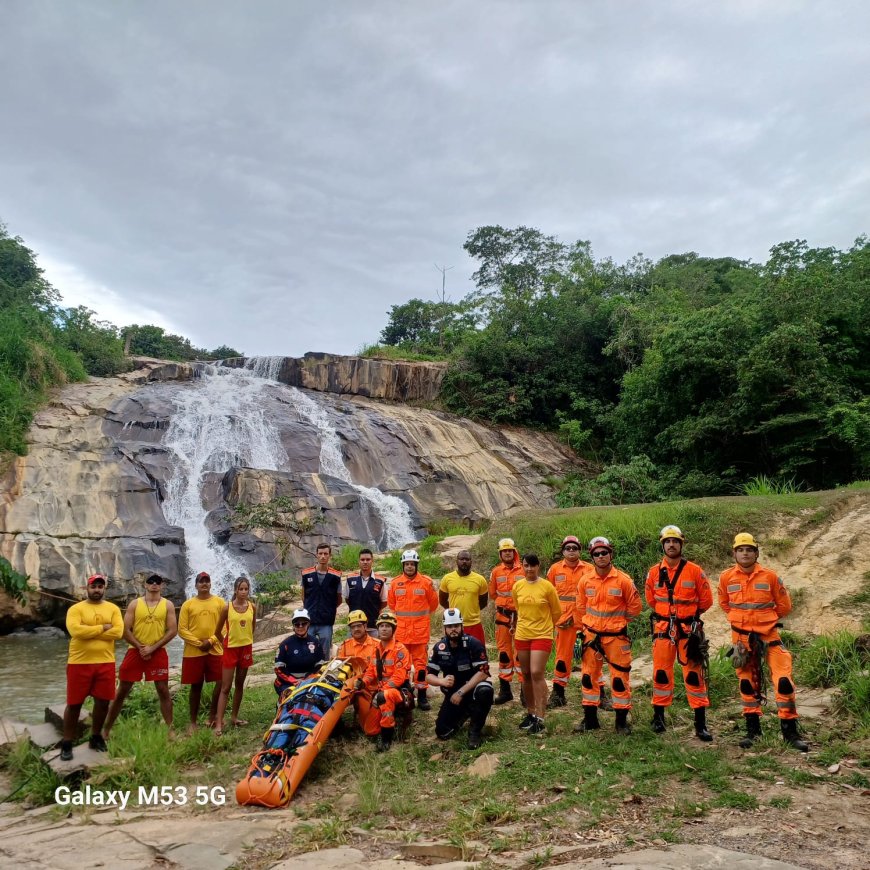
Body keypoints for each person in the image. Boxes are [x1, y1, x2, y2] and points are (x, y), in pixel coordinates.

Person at [718, 533, 808, 752]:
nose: (745, 553)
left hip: (769, 637)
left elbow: (784, 606)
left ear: (756, 553)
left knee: (784, 681)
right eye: (741, 549)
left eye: (749, 549)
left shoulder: (770, 577)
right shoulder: (726, 577)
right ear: (734, 553)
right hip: (741, 640)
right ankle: (753, 731)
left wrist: (763, 622)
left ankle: (789, 732)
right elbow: (724, 604)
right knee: (746, 683)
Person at [645, 526, 714, 741]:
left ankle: (700, 724)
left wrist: (689, 617)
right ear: (662, 545)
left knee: (694, 676)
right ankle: (658, 718)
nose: (671, 545)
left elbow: (706, 600)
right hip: (664, 630)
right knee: (661, 673)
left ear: (681, 544)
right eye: (667, 542)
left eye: (675, 541)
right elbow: (650, 599)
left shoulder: (695, 571)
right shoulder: (654, 572)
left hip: (688, 631)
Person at [573, 537, 641, 736]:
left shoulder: (624, 580)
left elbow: (635, 608)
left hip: (616, 637)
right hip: (591, 637)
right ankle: (590, 719)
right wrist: (585, 629)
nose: (601, 556)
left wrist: (618, 623)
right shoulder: (585, 580)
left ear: (610, 554)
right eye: (596, 553)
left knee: (619, 679)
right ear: (592, 557)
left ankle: (621, 722)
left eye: (604, 552)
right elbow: (580, 606)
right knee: (588, 677)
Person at [102, 574, 177, 738]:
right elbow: (125, 629)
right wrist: (141, 647)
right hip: (134, 651)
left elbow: (173, 630)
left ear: (162, 585)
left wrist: (152, 648)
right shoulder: (135, 604)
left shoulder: (168, 605)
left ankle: (170, 729)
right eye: (151, 582)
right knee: (122, 690)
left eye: (158, 582)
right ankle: (106, 729)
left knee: (163, 690)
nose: (154, 584)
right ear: (145, 585)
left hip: (158, 652)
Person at [60, 574, 124, 760]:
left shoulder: (113, 608)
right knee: (74, 704)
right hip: (79, 663)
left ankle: (96, 737)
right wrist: (102, 628)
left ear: (105, 589)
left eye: (100, 586)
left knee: (103, 702)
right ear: (86, 588)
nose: (97, 589)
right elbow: (75, 631)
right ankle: (67, 742)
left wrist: (90, 632)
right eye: (93, 586)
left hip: (106, 662)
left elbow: (118, 632)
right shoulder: (76, 609)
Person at [427, 608, 494, 749]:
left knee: (485, 691)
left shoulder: (473, 643)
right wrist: (441, 681)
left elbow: (483, 672)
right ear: (444, 628)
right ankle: (465, 712)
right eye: (450, 627)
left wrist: (461, 691)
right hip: (453, 694)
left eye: (456, 626)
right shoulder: (439, 647)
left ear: (462, 626)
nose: (453, 630)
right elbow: (428, 675)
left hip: (472, 688)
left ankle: (475, 732)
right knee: (443, 732)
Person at [511, 553, 561, 735]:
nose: (529, 569)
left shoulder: (547, 587)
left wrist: (546, 627)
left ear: (538, 566)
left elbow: (557, 612)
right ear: (522, 566)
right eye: (526, 565)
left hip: (542, 634)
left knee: (536, 672)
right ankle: (530, 712)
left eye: (533, 565)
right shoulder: (517, 586)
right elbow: (518, 609)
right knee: (525, 674)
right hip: (523, 634)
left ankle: (541, 716)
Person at [388, 549, 438, 711]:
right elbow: (392, 605)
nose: (409, 567)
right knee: (402, 665)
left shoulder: (426, 582)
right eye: (407, 564)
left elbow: (433, 604)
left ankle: (422, 697)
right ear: (403, 565)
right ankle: (405, 694)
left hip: (420, 634)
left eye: (412, 564)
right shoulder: (395, 583)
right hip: (401, 634)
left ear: (416, 565)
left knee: (421, 666)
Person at [177, 571, 226, 732]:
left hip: (215, 649)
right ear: (196, 585)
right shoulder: (188, 604)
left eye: (207, 581)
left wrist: (211, 641)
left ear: (211, 583)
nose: (204, 584)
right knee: (195, 686)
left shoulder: (219, 602)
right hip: (194, 651)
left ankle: (213, 716)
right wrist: (199, 643)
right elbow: (182, 629)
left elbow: (225, 626)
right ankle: (193, 722)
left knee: (221, 682)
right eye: (201, 581)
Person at [546, 535, 590, 708]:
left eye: (574, 548)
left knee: (591, 657)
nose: (571, 551)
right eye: (568, 548)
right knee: (562, 658)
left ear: (579, 550)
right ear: (563, 551)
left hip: (586, 621)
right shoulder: (554, 570)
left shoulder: (589, 569)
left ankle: (598, 693)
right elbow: (548, 595)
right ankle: (558, 694)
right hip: (564, 622)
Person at [360, 610, 413, 752]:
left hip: (398, 691)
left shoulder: (400, 649)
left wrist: (381, 692)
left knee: (386, 696)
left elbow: (399, 677)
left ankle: (386, 737)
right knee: (370, 730)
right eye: (381, 626)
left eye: (387, 626)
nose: (384, 628)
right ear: (377, 629)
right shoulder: (376, 649)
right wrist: (363, 682)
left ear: (393, 629)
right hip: (381, 691)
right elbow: (371, 671)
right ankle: (386, 725)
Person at [214, 576, 256, 736]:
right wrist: (224, 644)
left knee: (239, 684)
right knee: (225, 687)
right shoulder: (227, 608)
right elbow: (217, 631)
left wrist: (245, 639)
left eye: (246, 589)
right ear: (235, 590)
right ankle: (218, 723)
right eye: (241, 589)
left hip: (245, 648)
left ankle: (234, 717)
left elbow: (252, 627)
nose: (244, 592)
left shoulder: (252, 606)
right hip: (230, 649)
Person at [488, 538, 525, 705]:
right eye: (504, 551)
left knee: (521, 654)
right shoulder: (496, 572)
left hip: (521, 619)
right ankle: (505, 691)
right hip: (502, 618)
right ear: (500, 554)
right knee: (503, 654)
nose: (507, 553)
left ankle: (525, 691)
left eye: (510, 550)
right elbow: (493, 594)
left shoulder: (524, 570)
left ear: (514, 552)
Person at [336, 609, 380, 729]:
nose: (356, 629)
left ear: (365, 626)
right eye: (353, 627)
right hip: (349, 687)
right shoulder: (345, 646)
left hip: (369, 687)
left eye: (359, 625)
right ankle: (337, 725)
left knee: (367, 727)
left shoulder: (377, 645)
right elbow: (338, 668)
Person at [301, 542, 343, 659]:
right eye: (320, 553)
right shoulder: (306, 574)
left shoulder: (336, 576)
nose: (323, 556)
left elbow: (339, 599)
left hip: (326, 621)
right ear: (316, 555)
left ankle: (323, 673)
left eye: (325, 553)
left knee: (325, 652)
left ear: (330, 555)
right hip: (309, 620)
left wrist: (328, 608)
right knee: (307, 649)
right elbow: (303, 596)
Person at [439, 550, 489, 645]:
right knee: (454, 655)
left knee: (477, 653)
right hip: (454, 625)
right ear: (456, 561)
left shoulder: (480, 580)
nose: (464, 561)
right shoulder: (447, 578)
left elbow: (483, 603)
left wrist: (472, 611)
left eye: (467, 559)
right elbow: (442, 600)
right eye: (461, 559)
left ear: (471, 561)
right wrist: (453, 612)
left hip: (474, 624)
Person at [274, 608, 322, 694]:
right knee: (289, 697)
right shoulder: (285, 644)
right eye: (297, 624)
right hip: (288, 681)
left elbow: (320, 665)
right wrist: (294, 681)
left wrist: (307, 680)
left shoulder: (316, 643)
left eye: (303, 624)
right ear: (293, 626)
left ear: (308, 624)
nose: (300, 626)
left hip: (310, 679)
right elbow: (278, 668)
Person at [343, 548, 388, 636]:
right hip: (354, 625)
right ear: (359, 561)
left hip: (373, 626)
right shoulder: (350, 579)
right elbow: (347, 599)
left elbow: (384, 602)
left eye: (368, 559)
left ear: (372, 561)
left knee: (375, 650)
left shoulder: (380, 580)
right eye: (362, 559)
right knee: (352, 649)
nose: (365, 562)